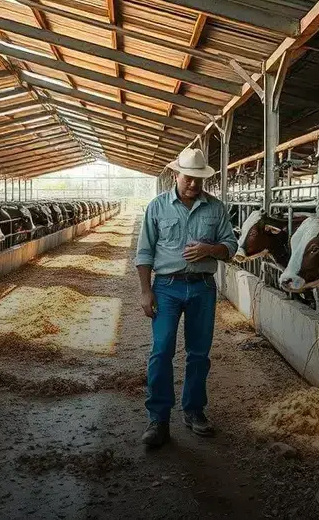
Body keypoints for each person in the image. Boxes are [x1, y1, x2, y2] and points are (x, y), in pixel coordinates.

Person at [134, 148, 237, 448]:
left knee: (198, 353)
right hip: (166, 286)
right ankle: (159, 419)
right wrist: (145, 290)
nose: (193, 184)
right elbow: (144, 252)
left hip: (203, 286)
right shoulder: (156, 207)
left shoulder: (216, 208)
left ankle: (193, 410)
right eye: (189, 178)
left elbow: (230, 246)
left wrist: (209, 249)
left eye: (199, 179)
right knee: (162, 350)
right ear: (175, 174)